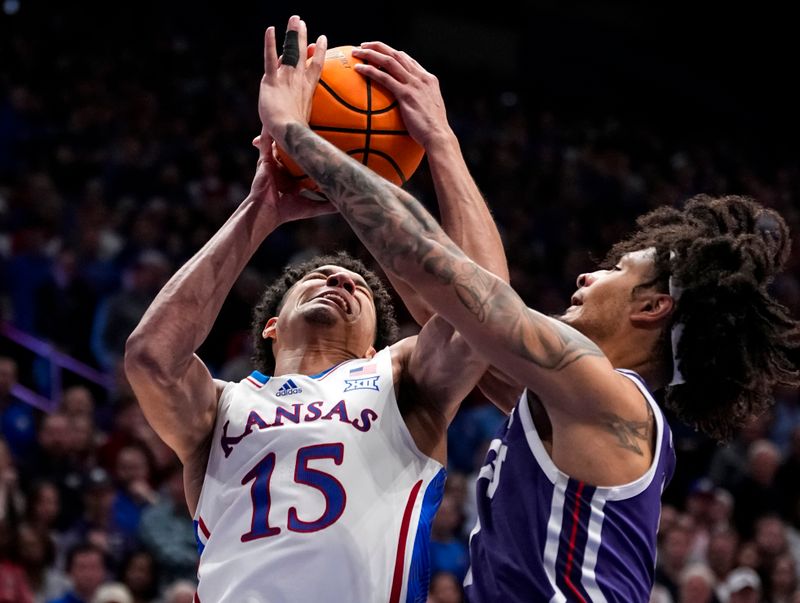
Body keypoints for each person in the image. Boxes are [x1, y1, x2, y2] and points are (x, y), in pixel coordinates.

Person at [258, 16, 799, 602]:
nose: (591, 273)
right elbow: (451, 306)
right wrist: (437, 143)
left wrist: (296, 132)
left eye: (618, 271)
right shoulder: (568, 403)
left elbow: (436, 269)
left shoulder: (604, 397)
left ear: (652, 307)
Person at [123, 19, 508, 603]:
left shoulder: (397, 380)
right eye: (315, 278)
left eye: (355, 283)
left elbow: (487, 308)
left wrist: (442, 144)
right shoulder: (220, 407)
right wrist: (259, 209)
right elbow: (151, 357)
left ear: (377, 343)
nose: (333, 275)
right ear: (272, 324)